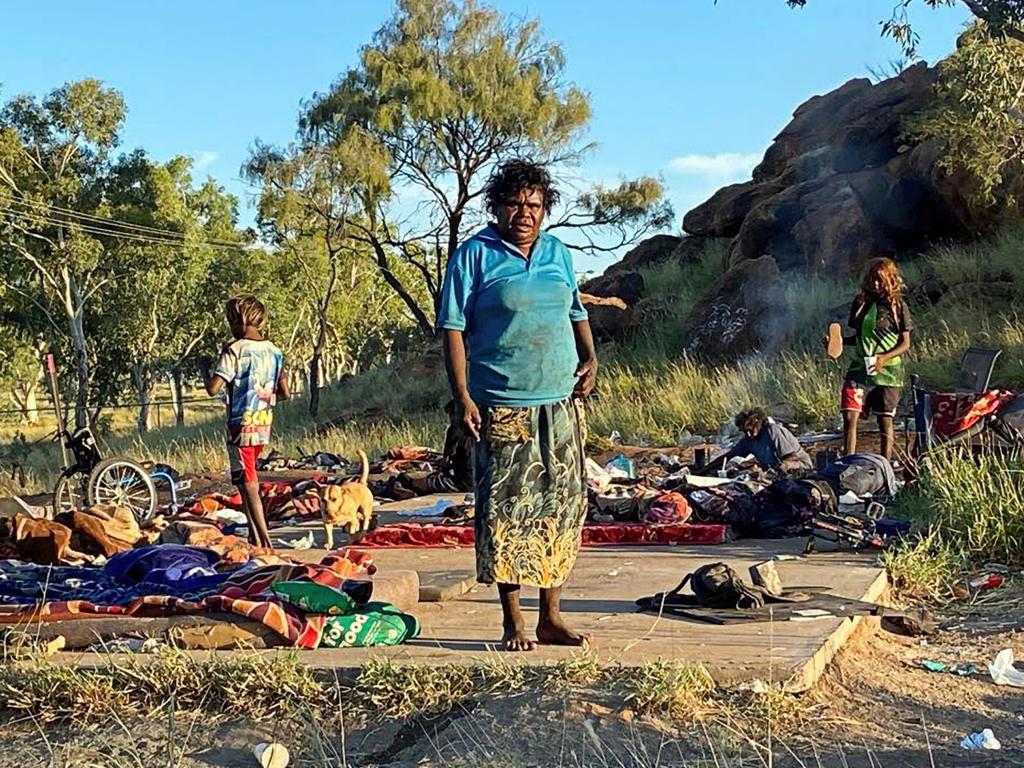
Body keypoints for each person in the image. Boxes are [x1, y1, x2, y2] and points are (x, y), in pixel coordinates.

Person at [437, 159, 598, 652]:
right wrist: (463, 395)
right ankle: (514, 622)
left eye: (534, 205)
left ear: (545, 209)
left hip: (561, 403)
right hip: (502, 403)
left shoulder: (557, 253)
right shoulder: (474, 256)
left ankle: (551, 615)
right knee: (508, 512)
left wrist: (590, 355)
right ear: (497, 207)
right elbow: (453, 329)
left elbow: (575, 310)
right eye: (514, 204)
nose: (524, 213)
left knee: (562, 507)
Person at [204, 294, 290, 549]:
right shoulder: (274, 352)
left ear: (239, 320)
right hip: (263, 423)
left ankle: (265, 541)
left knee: (249, 483)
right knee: (243, 480)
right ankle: (254, 536)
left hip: (240, 425)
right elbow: (285, 392)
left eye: (231, 320)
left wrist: (205, 367)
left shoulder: (235, 350)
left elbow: (213, 388)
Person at [835, 258, 913, 460]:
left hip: (889, 371)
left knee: (885, 421)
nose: (875, 284)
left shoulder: (897, 306)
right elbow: (860, 338)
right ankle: (847, 462)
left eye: (879, 280)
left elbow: (905, 343)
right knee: (850, 415)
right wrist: (838, 342)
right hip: (861, 366)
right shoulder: (860, 303)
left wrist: (884, 358)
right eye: (872, 280)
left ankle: (884, 466)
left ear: (889, 280)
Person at [725, 408, 812, 473]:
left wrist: (776, 471)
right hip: (776, 472)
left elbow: (791, 459)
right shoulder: (748, 440)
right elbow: (730, 455)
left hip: (800, 466)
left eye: (750, 430)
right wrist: (713, 467)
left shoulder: (773, 431)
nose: (748, 434)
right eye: (745, 431)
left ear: (757, 422)